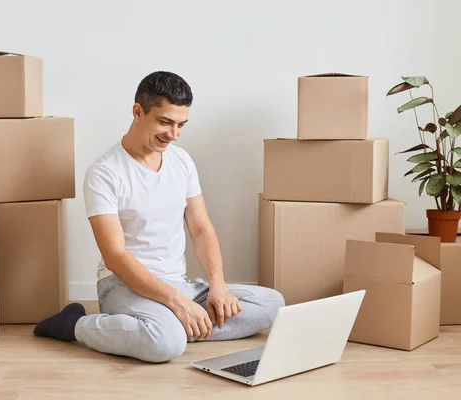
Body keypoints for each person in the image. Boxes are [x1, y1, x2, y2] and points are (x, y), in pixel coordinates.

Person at [33, 71, 285, 363]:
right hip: (123, 285)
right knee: (165, 345)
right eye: (165, 122)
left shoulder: (181, 161)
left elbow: (201, 228)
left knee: (272, 303)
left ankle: (165, 325)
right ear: (138, 111)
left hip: (180, 283)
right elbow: (115, 256)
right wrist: (177, 302)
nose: (174, 134)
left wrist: (218, 287)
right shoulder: (104, 173)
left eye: (181, 124)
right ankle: (75, 325)